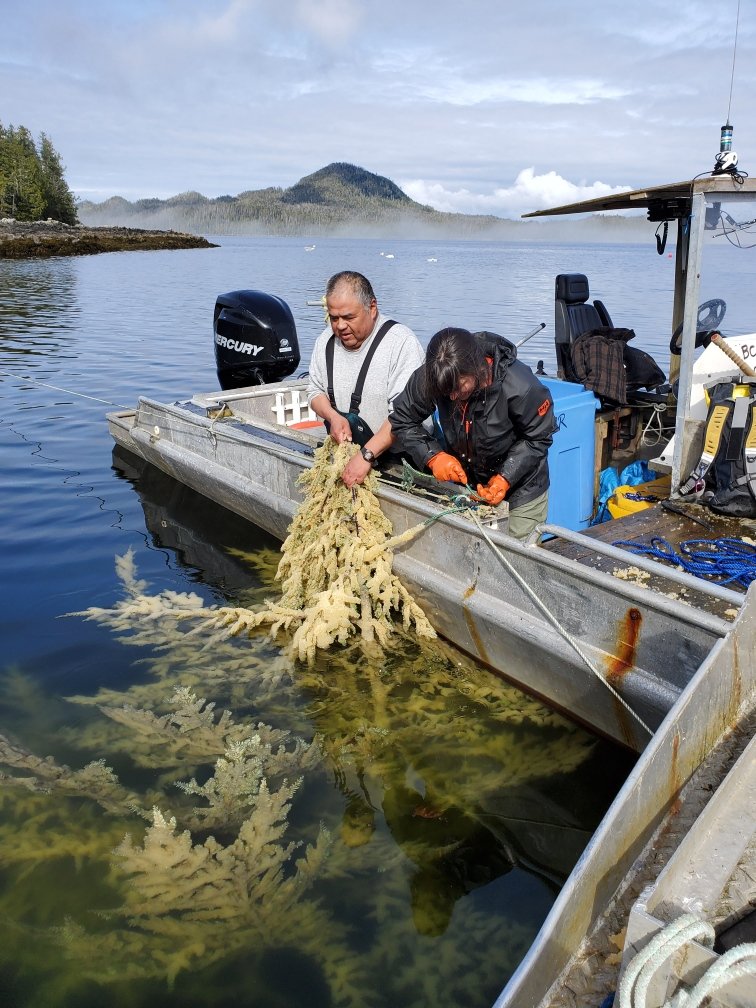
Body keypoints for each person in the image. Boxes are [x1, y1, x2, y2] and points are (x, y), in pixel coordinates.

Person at [389, 327, 556, 541]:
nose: (452, 396)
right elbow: (402, 419)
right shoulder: (437, 375)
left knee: (517, 556)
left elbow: (538, 438)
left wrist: (505, 477)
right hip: (467, 488)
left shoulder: (521, 386)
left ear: (477, 368)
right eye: (445, 392)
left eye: (459, 388)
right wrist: (432, 456)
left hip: (522, 490)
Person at [307, 271, 425, 487]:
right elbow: (314, 391)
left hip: (397, 461)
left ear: (372, 308)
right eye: (334, 318)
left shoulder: (401, 344)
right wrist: (333, 417)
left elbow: (405, 415)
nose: (340, 326)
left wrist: (366, 455)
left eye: (349, 317)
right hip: (349, 456)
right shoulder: (325, 341)